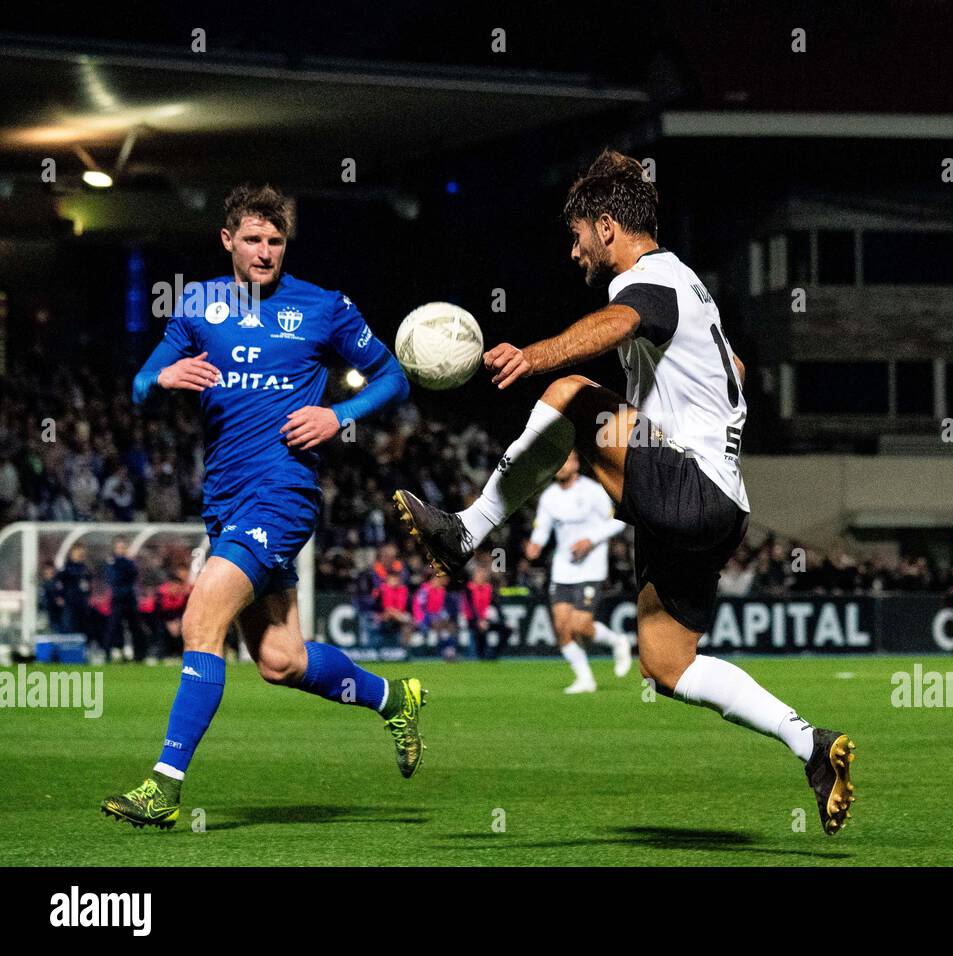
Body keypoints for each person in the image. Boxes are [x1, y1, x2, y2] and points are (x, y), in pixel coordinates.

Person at [393, 149, 855, 834]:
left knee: (572, 393)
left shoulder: (648, 281)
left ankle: (467, 531)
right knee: (668, 665)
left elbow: (622, 323)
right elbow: (735, 364)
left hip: (688, 485)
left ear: (607, 228)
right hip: (718, 507)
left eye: (578, 234)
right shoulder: (690, 288)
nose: (573, 250)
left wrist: (538, 354)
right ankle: (810, 745)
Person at [102, 183, 418, 830]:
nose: (265, 251)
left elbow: (393, 376)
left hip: (283, 492)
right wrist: (159, 378)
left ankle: (164, 786)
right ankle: (394, 698)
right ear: (228, 242)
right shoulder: (198, 306)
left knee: (200, 621)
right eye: (253, 239)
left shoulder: (324, 307)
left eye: (276, 241)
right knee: (281, 661)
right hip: (224, 498)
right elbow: (137, 386)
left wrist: (339, 415)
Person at [524, 450, 633, 692]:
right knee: (562, 629)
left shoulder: (593, 491)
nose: (560, 467)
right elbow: (542, 527)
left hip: (591, 568)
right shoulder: (549, 497)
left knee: (580, 625)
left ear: (575, 463)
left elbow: (618, 520)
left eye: (564, 462)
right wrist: (535, 544)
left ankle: (618, 641)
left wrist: (590, 540)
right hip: (563, 569)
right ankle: (585, 679)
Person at [104, 537, 149, 662]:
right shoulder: (112, 563)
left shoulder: (129, 563)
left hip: (129, 599)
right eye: (119, 547)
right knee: (114, 628)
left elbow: (133, 575)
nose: (121, 550)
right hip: (118, 600)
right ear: (115, 549)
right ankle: (110, 653)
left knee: (135, 628)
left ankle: (139, 655)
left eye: (123, 547)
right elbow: (114, 578)